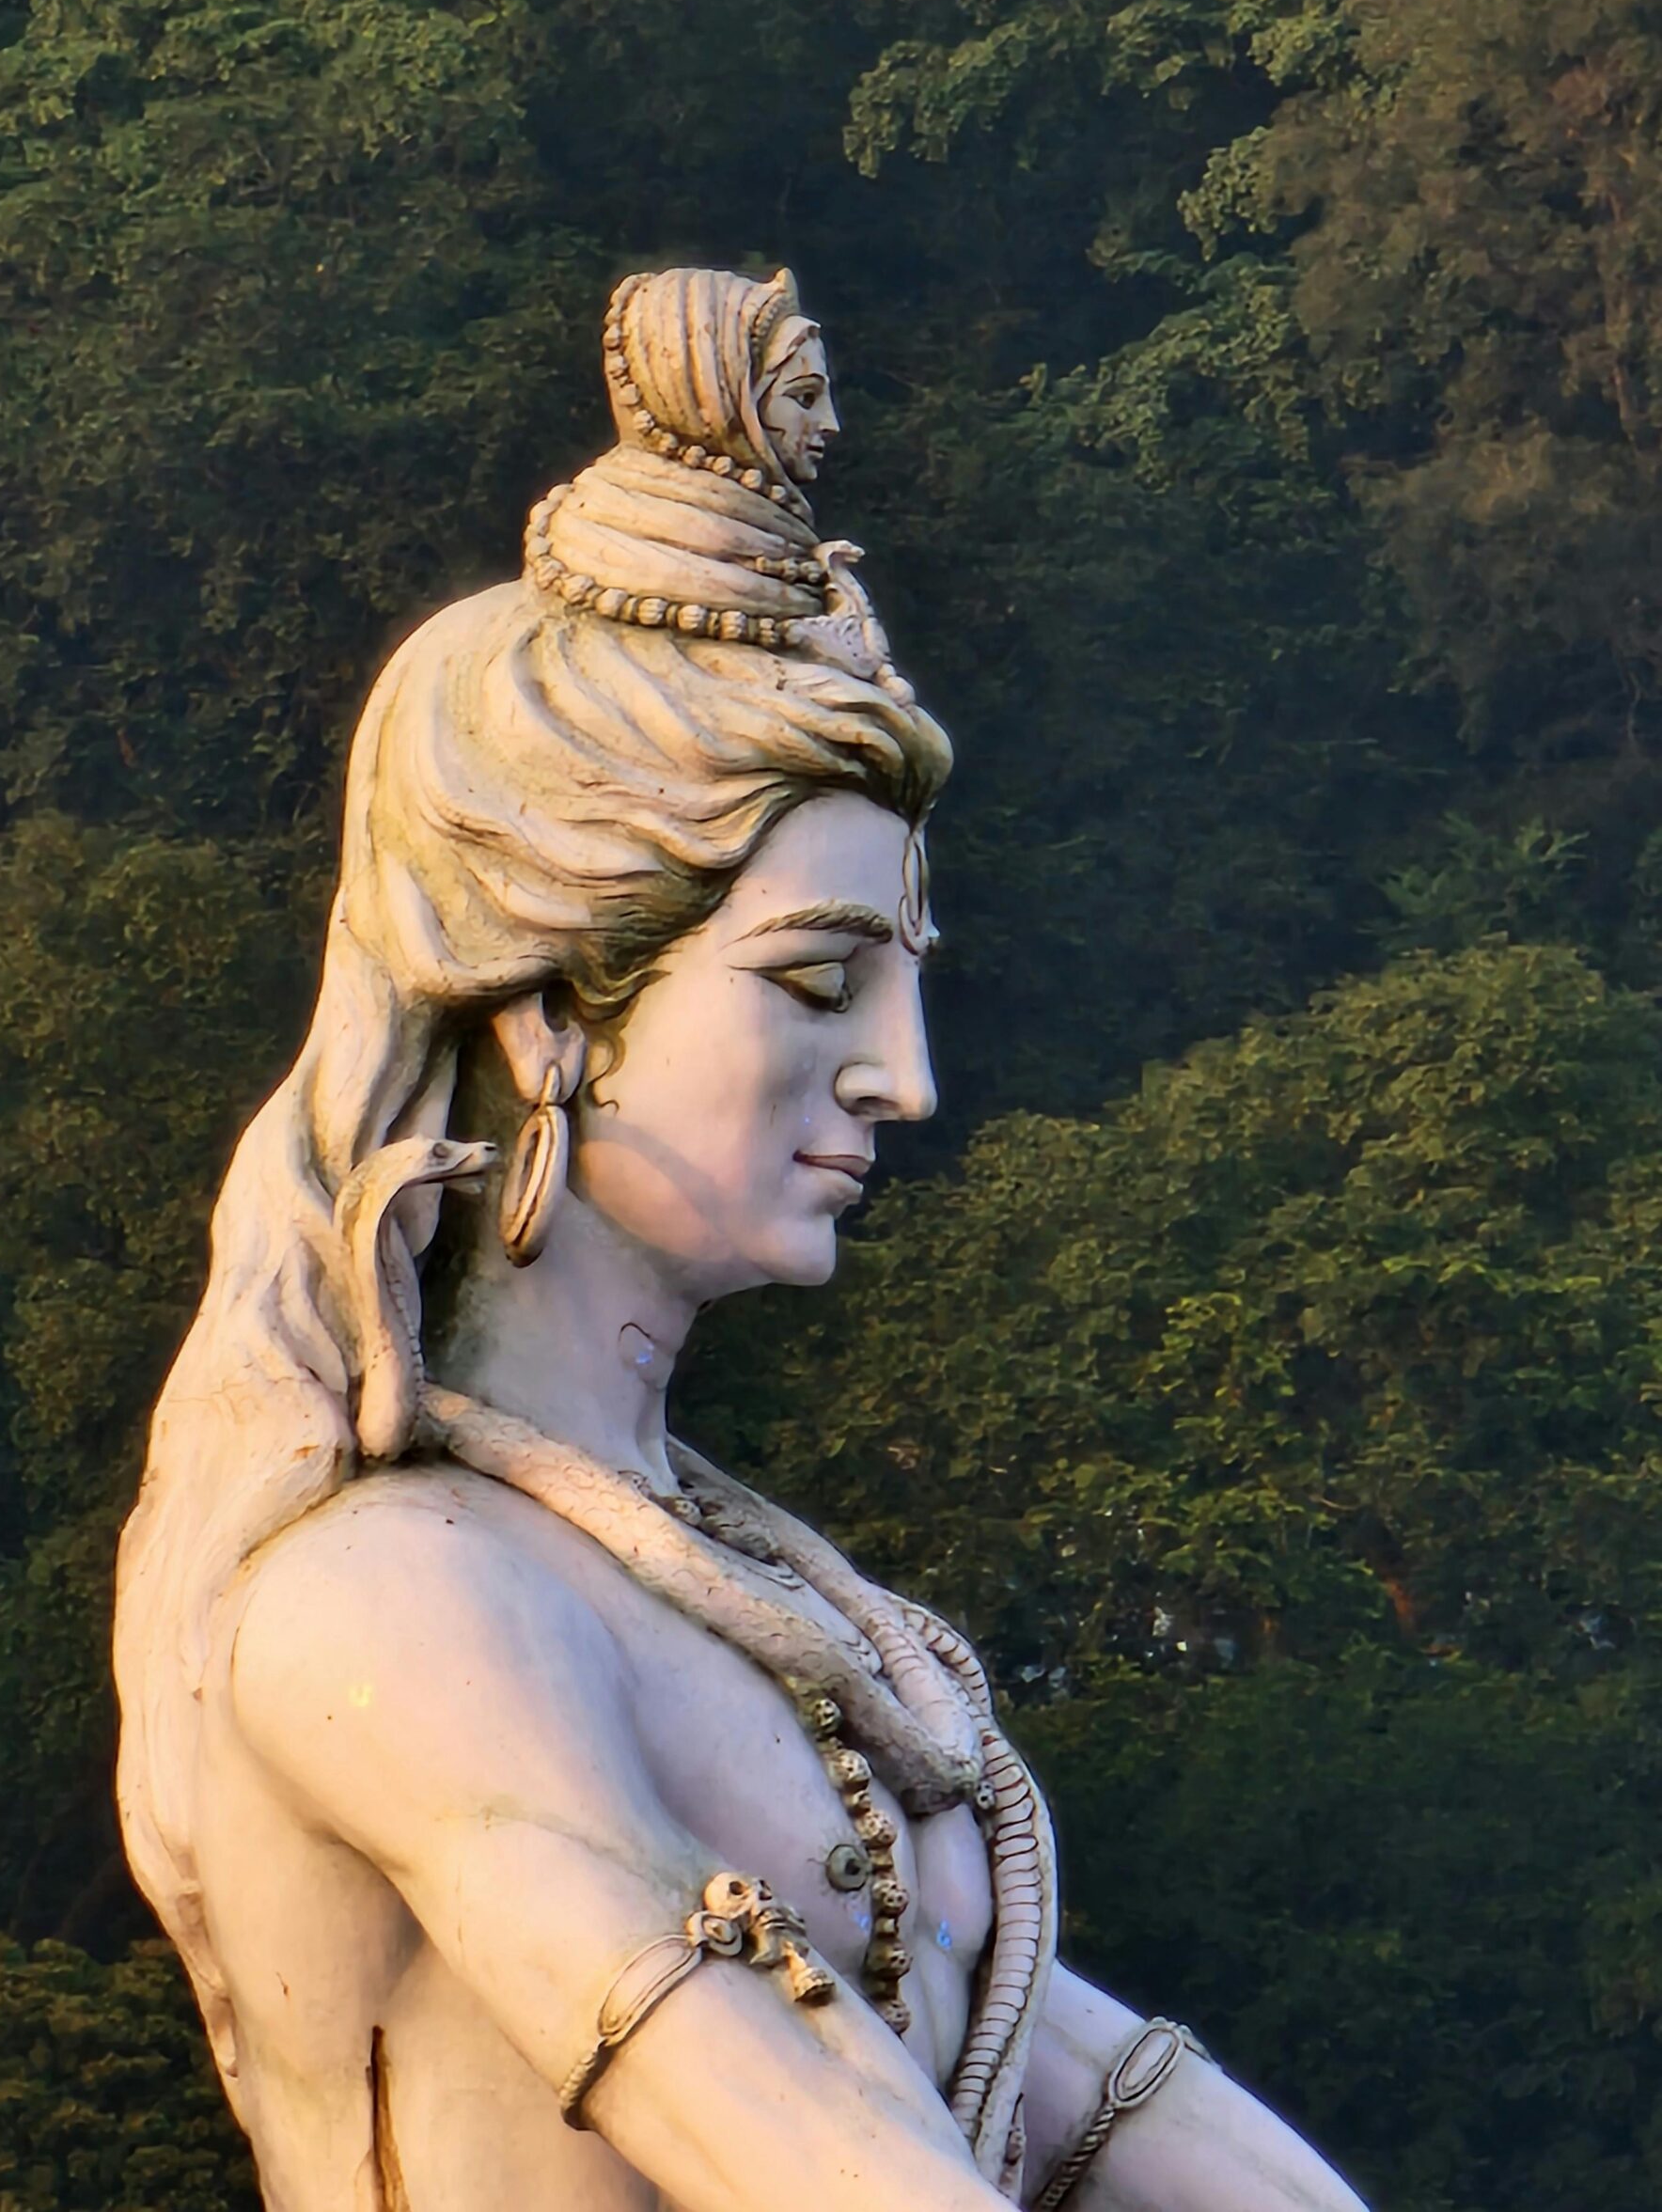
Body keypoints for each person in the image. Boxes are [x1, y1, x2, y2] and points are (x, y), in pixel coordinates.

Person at [115, 267, 1369, 2212]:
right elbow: (821, 2156)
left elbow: (1116, 2112)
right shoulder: (393, 1598)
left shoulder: (779, 1607)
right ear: (541, 1010)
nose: (902, 1078)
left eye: (909, 984)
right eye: (816, 980)